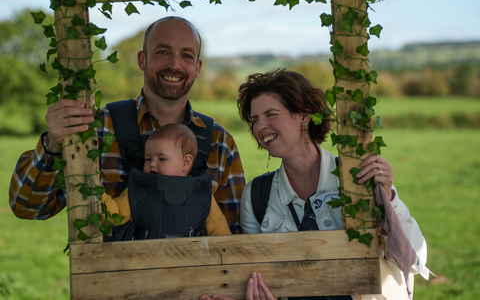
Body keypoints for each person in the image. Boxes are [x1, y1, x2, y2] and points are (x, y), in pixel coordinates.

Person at [201, 69, 430, 300]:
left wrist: (388, 196)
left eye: (271, 114)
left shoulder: (357, 178)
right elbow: (257, 274)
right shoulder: (256, 195)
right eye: (255, 120)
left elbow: (414, 260)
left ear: (305, 115)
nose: (260, 127)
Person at [9, 16, 245, 234]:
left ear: (198, 68)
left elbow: (232, 237)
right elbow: (27, 208)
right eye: (163, 51)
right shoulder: (95, 129)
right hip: (111, 278)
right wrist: (52, 145)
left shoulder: (219, 143)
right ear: (142, 59)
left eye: (186, 55)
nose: (175, 64)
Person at [102, 123, 231, 236]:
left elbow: (218, 227)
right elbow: (114, 214)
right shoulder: (138, 191)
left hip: (192, 261)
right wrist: (95, 191)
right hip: (144, 261)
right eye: (148, 159)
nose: (152, 164)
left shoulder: (202, 195)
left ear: (186, 163)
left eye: (161, 159)